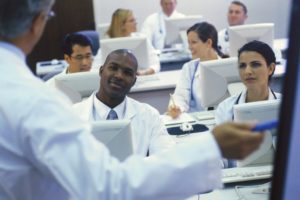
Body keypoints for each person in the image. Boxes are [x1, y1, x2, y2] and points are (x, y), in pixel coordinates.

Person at [0, 0, 265, 199]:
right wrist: (212, 146)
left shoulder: (19, 90)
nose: (118, 76)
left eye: (127, 72)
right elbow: (110, 188)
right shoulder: (38, 101)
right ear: (38, 22)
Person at [73, 49, 175, 156]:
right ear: (101, 71)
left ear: (134, 81)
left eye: (127, 73)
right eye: (113, 68)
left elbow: (164, 158)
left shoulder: (149, 116)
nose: (119, 76)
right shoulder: (72, 115)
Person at [167, 22, 225, 119]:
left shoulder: (227, 67)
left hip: (222, 120)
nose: (189, 47)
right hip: (197, 120)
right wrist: (177, 107)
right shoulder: (189, 68)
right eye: (188, 42)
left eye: (193, 42)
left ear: (208, 43)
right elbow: (180, 95)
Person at [215, 40, 281, 124]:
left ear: (270, 69)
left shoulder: (288, 107)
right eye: (242, 66)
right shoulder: (225, 109)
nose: (247, 71)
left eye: (255, 64)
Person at [106, 8, 160, 76]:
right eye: (131, 20)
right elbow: (98, 66)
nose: (136, 22)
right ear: (122, 25)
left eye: (135, 20)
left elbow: (155, 64)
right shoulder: (108, 43)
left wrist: (143, 73)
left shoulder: (141, 39)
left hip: (142, 78)